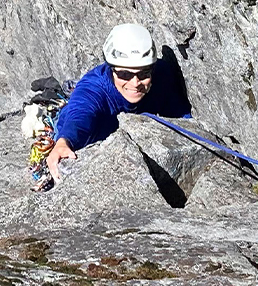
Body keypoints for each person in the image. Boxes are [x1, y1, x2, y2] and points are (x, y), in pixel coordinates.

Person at [36, 23, 191, 187]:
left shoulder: (162, 75)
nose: (135, 82)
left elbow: (181, 116)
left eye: (144, 73)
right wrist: (64, 142)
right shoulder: (93, 88)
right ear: (111, 70)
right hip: (87, 138)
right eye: (125, 74)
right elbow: (80, 114)